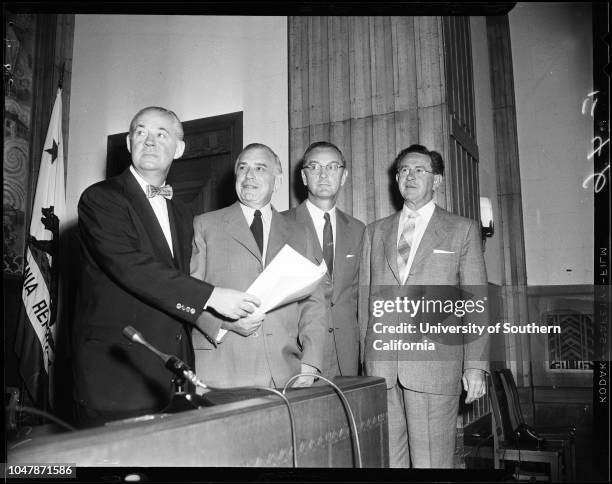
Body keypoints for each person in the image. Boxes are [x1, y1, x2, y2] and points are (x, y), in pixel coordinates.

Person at [72, 106, 260, 425]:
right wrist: (214, 296)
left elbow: (177, 286)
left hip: (173, 375)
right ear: (129, 143)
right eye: (141, 132)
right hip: (117, 378)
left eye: (162, 134)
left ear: (179, 147)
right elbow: (133, 268)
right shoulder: (100, 199)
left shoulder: (183, 213)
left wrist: (219, 321)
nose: (150, 140)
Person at [359, 144, 490, 468]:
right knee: (388, 462)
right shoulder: (375, 232)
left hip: (435, 367)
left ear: (438, 181)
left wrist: (475, 366)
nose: (410, 176)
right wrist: (366, 359)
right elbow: (365, 299)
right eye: (403, 170)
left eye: (419, 170)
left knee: (432, 464)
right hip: (382, 369)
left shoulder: (462, 229)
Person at [190, 143, 327, 388]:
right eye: (243, 168)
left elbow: (314, 303)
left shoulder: (300, 233)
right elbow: (189, 293)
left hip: (285, 374)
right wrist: (224, 323)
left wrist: (311, 362)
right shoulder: (205, 226)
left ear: (278, 180)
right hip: (222, 371)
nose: (249, 175)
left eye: (260, 168)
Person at [283, 142, 365, 377]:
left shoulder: (359, 230)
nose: (323, 174)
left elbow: (359, 296)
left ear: (344, 175)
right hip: (298, 354)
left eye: (332, 167)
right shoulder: (281, 225)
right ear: (304, 176)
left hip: (346, 356)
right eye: (314, 167)